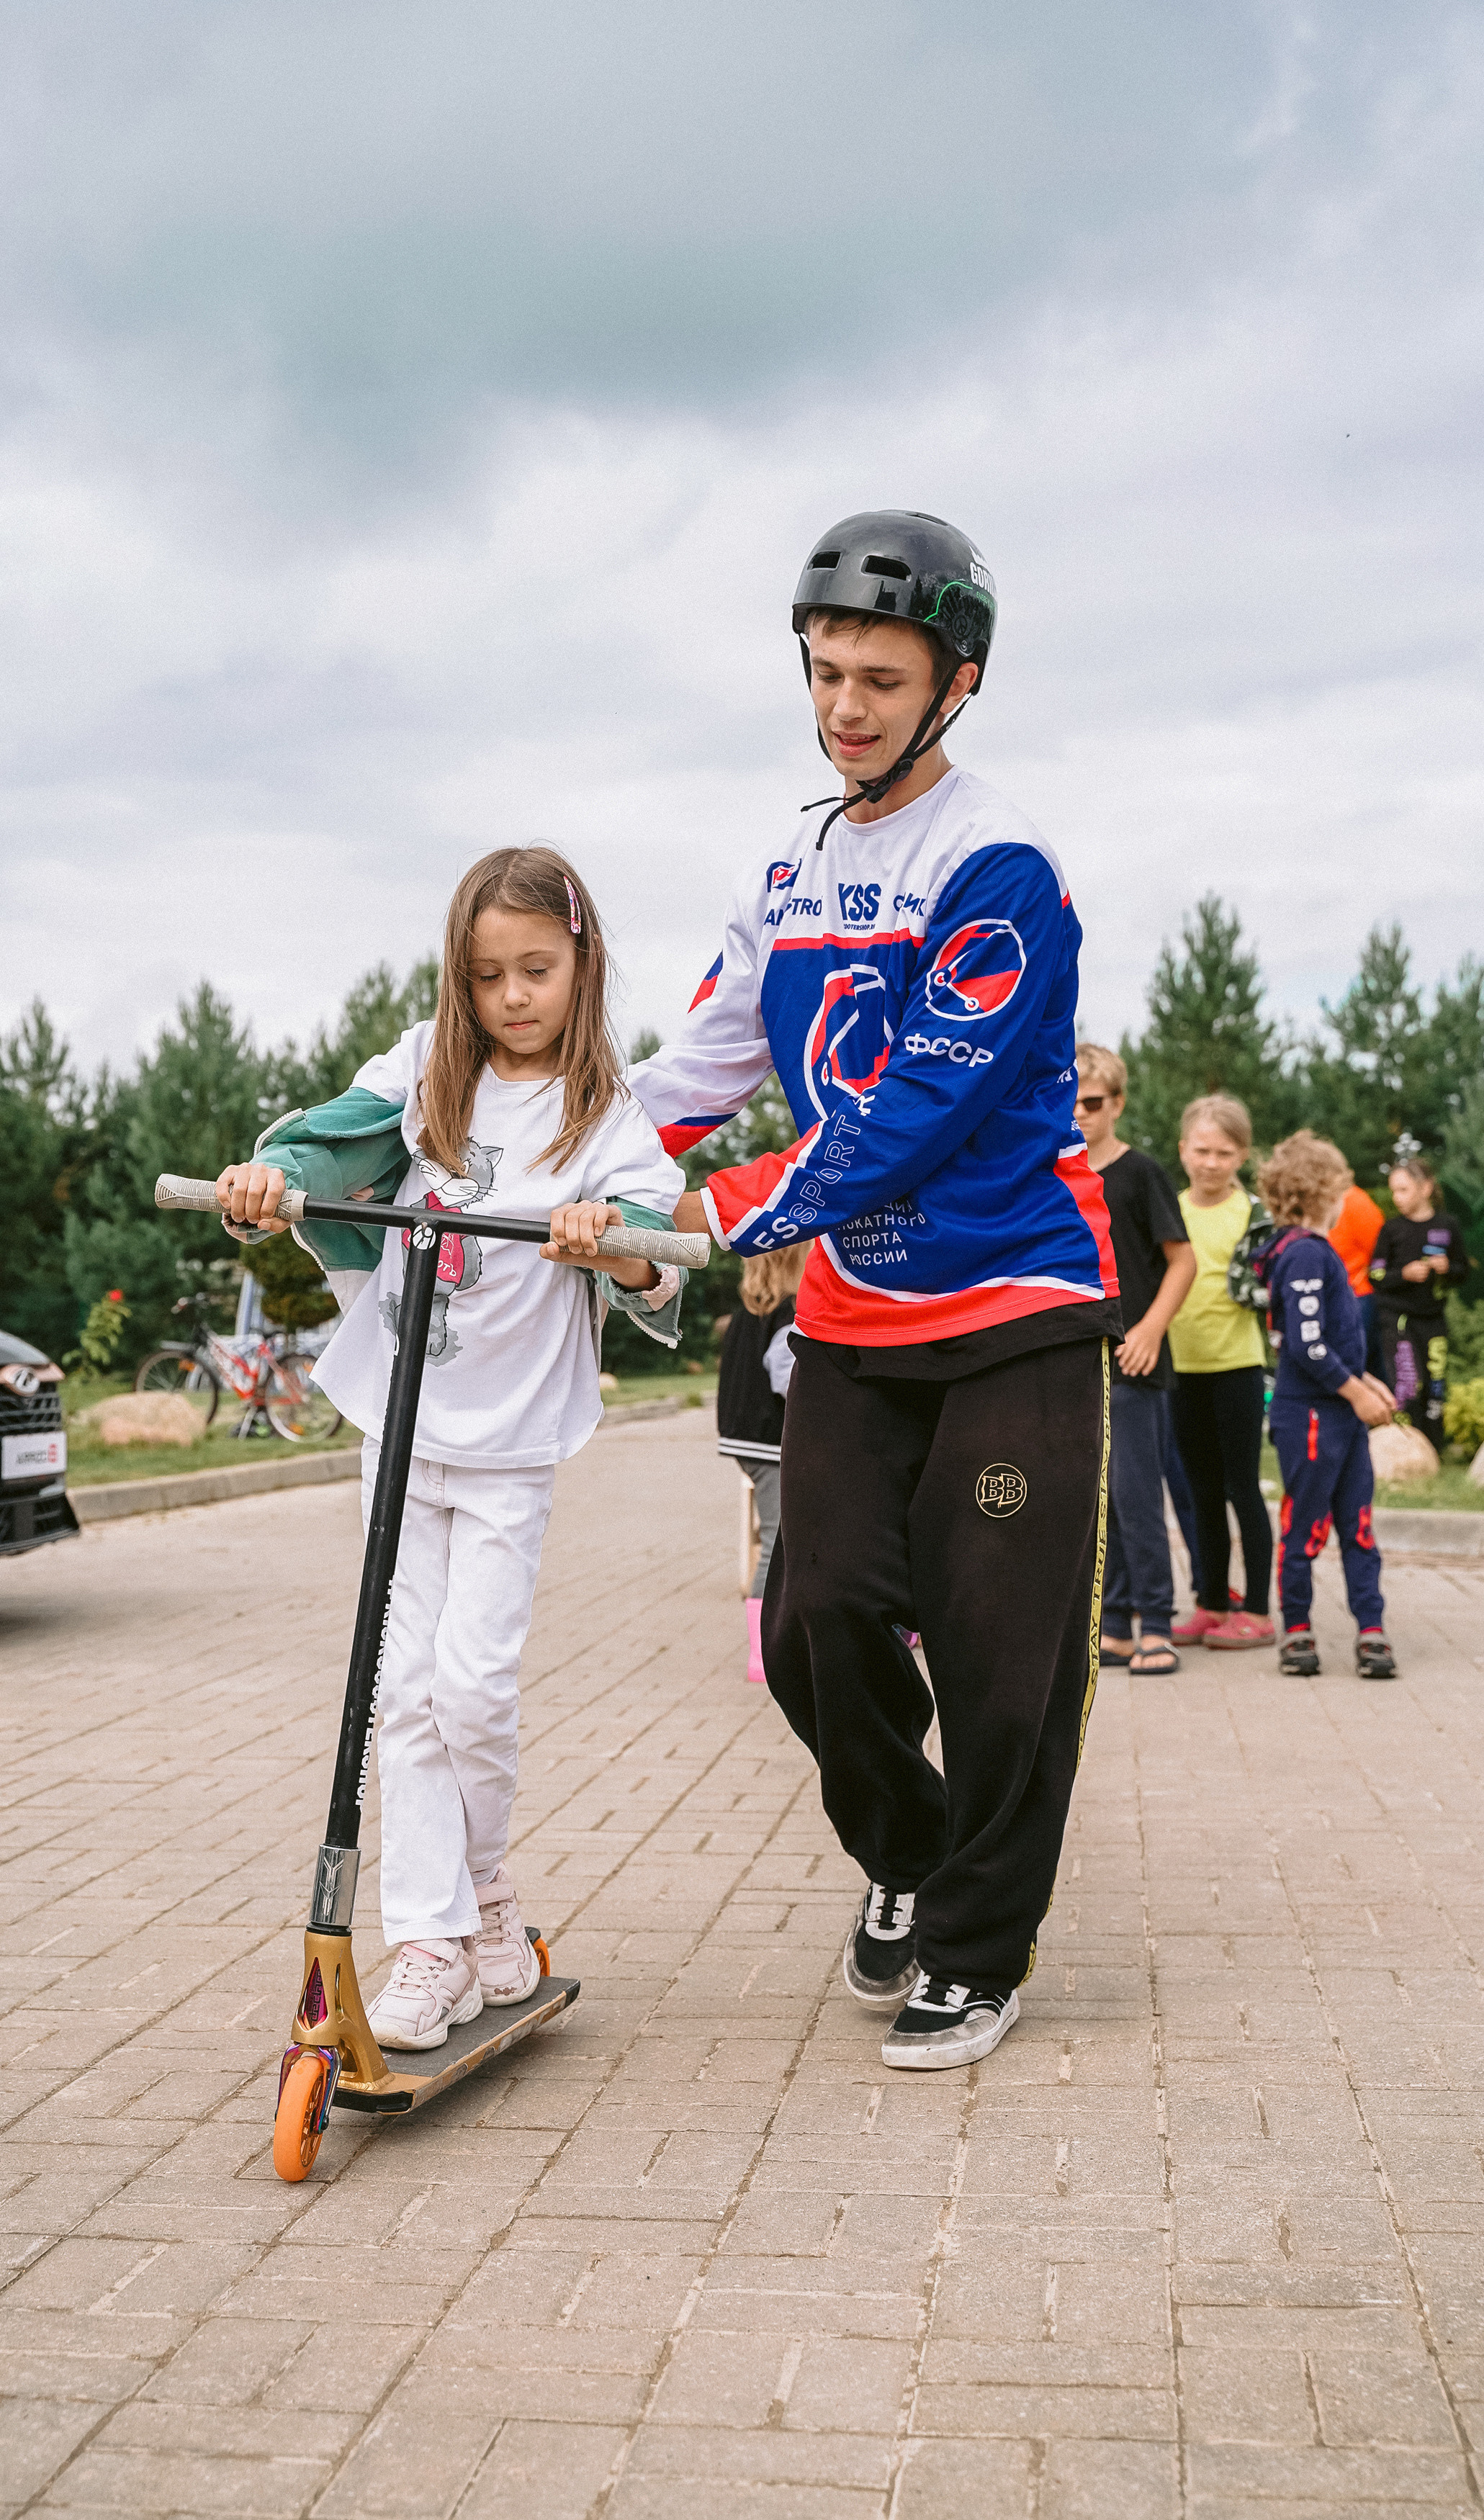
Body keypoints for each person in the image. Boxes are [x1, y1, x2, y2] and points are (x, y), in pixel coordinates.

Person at [630, 509, 1120, 2074]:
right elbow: (691, 1073)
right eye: (825, 671)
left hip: (1013, 1313)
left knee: (996, 1647)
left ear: (953, 684)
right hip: (850, 1323)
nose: (843, 706)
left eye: (880, 679)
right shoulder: (784, 868)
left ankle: (977, 1947)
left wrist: (713, 1214)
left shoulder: (999, 866)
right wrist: (538, 1166)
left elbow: (911, 1110)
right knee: (810, 1625)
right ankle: (908, 1852)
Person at [215, 847, 686, 2051]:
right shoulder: (427, 1069)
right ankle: (432, 1944)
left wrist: (608, 1239)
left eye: (535, 969)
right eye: (485, 975)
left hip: (511, 1444)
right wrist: (271, 1179)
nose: (511, 996)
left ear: (581, 963)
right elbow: (330, 1142)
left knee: (470, 1689)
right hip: (402, 1424)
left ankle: (484, 1896)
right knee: (402, 1692)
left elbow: (653, 1252)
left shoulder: (606, 1116)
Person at [1073, 1045, 1197, 1678]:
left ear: (1117, 1103)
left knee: (1137, 1497)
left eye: (1092, 1102)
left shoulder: (1140, 1173)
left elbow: (1183, 1260)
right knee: (1100, 1503)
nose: (1079, 1113)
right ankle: (1116, 1624)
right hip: (1079, 1363)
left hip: (1136, 1362)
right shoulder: (1056, 1173)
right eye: (1069, 1101)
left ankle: (1157, 1623)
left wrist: (1150, 1328)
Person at [1256, 1131, 1398, 1679]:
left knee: (1357, 1524)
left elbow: (1326, 1342)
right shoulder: (1305, 1255)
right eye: (1340, 1191)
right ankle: (1297, 1629)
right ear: (1321, 1194)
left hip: (1339, 1409)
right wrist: (1357, 1393)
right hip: (1312, 1416)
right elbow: (1307, 1345)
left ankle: (1371, 1627)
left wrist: (1367, 1382)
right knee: (1305, 1525)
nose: (1344, 1202)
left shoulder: (1311, 1252)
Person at [1168, 1094, 1275, 1650]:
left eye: (1224, 1153)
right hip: (1179, 1368)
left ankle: (1256, 1610)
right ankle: (1211, 1602)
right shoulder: (1169, 1210)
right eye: (1202, 1151)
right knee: (1200, 1490)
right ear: (1182, 1149)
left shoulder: (1255, 1216)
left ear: (1242, 1156)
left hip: (1237, 1366)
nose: (1211, 1163)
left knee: (1241, 1488)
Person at [716, 1243, 809, 1683]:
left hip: (745, 1440)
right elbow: (787, 1379)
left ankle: (777, 1641)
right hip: (770, 1442)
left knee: (781, 1535)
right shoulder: (789, 1314)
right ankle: (763, 1653)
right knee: (776, 1539)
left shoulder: (744, 1316)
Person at [1370, 1153, 1471, 1449]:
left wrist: (1447, 1268)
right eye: (1394, 1191)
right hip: (1398, 1319)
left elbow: (1463, 1271)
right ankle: (1406, 1445)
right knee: (1407, 1382)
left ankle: (1434, 1448)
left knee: (1436, 1383)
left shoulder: (1448, 1225)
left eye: (1403, 1190)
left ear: (1426, 1188)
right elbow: (1375, 1274)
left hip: (1434, 1319)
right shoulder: (1391, 1229)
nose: (1397, 1197)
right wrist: (1404, 1274)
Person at [1328, 1172, 1388, 1385]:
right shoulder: (1319, 1203)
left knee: (1355, 1368)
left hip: (1358, 1296)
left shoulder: (1355, 1202)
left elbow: (1380, 1251)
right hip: (1333, 1299)